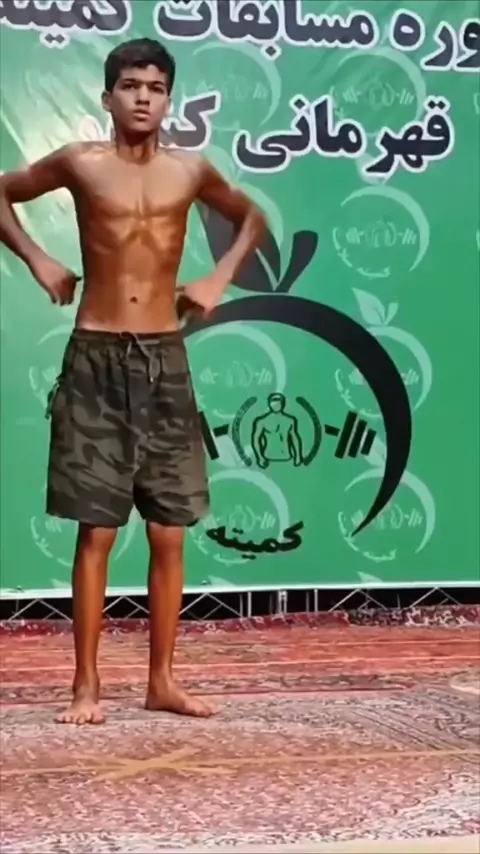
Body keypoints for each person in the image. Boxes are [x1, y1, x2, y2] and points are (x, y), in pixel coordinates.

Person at [0, 38, 266, 725]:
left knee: (170, 531)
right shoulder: (80, 163)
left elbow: (251, 218)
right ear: (108, 97)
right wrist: (36, 259)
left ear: (169, 98)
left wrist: (218, 277)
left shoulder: (189, 171)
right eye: (130, 86)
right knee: (98, 530)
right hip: (97, 353)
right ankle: (85, 687)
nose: (143, 97)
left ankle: (162, 681)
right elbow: (2, 192)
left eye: (156, 87)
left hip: (165, 357)